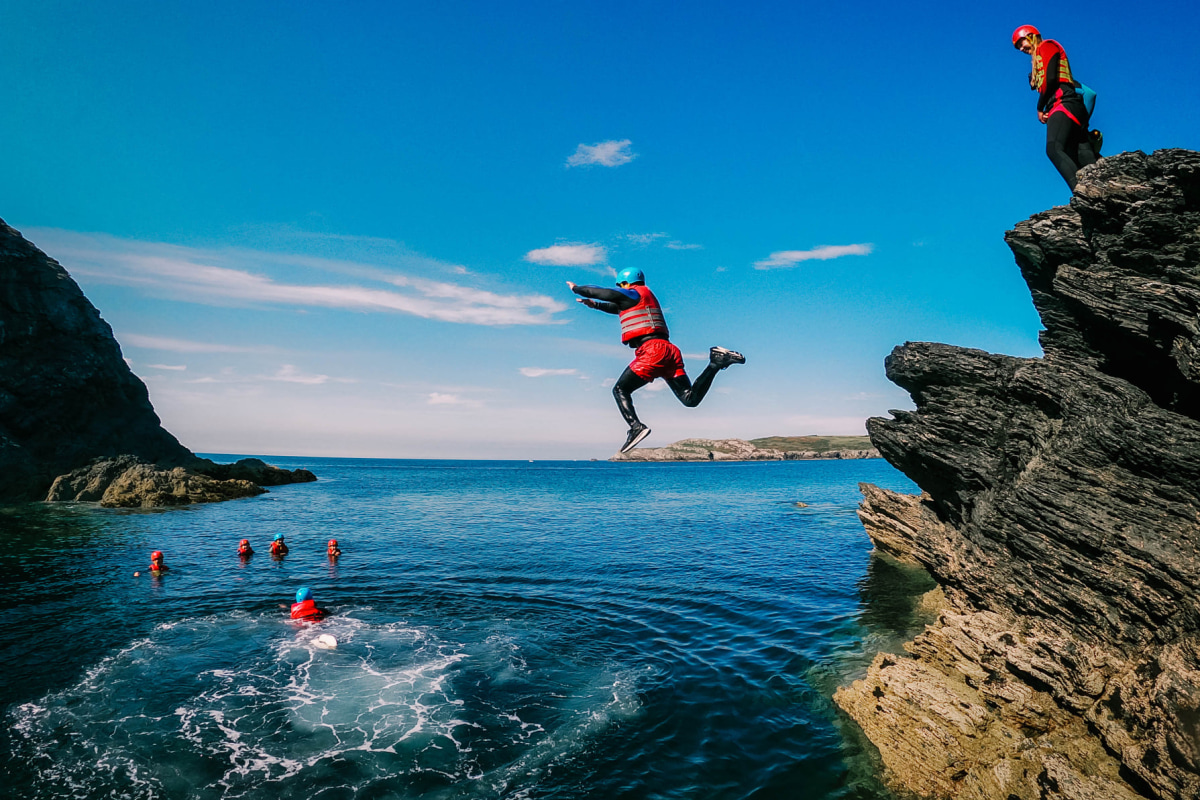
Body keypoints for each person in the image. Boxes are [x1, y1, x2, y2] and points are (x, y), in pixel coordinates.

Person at [568, 268, 745, 453]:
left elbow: (602, 292)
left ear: (625, 283)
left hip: (653, 351)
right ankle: (716, 362)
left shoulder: (632, 293)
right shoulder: (639, 298)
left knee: (620, 389)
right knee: (689, 399)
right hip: (669, 351)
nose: (619, 289)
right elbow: (615, 307)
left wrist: (577, 289)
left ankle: (636, 427)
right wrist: (594, 305)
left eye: (620, 285)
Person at [1013, 24, 1096, 190]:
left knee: (1054, 148)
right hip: (1073, 108)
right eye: (1018, 47)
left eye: (1022, 43)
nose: (1021, 48)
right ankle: (1103, 188)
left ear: (1031, 36)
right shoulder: (1042, 57)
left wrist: (1040, 107)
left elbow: (1050, 80)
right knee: (1080, 153)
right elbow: (1089, 93)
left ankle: (1082, 192)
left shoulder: (1047, 46)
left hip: (1063, 104)